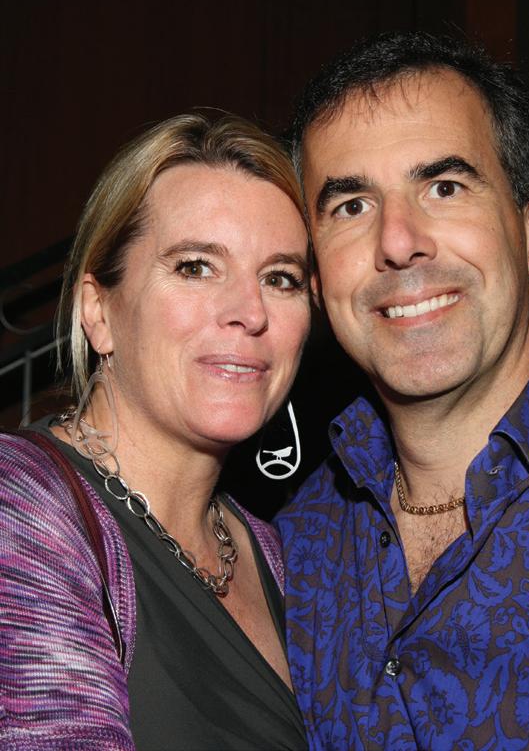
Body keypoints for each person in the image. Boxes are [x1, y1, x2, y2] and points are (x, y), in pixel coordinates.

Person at [276, 32, 529, 750]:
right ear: (318, 282)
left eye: (444, 188)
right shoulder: (286, 548)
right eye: (351, 206)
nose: (398, 241)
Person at [0, 112, 311, 750]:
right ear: (98, 310)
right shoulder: (20, 504)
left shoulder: (278, 551)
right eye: (196, 267)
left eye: (280, 278)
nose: (250, 312)